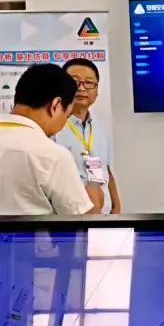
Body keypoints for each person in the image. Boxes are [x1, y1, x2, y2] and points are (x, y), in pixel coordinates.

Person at [0, 64, 100, 240]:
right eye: (66, 116)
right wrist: (94, 197)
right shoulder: (52, 156)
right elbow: (79, 223)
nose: (62, 125)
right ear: (55, 105)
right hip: (35, 256)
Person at [55, 58, 121, 214]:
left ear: (97, 90)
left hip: (104, 216)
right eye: (74, 82)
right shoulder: (53, 127)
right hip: (71, 217)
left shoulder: (101, 127)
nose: (82, 88)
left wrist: (116, 207)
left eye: (89, 83)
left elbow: (106, 169)